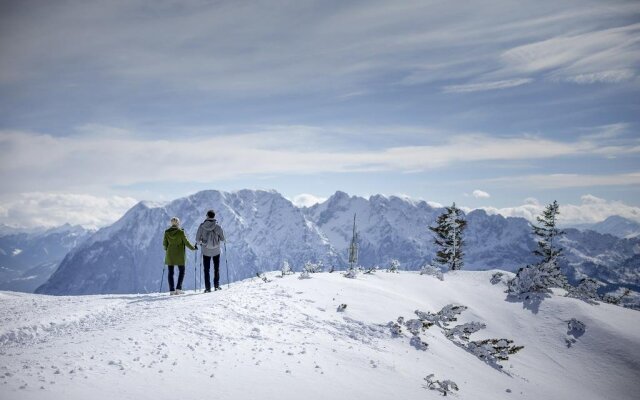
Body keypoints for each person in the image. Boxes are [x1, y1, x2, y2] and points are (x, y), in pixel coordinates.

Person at [163, 217, 196, 295]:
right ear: (178, 223)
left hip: (170, 254)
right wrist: (193, 248)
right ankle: (178, 289)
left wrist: (168, 249)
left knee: (170, 272)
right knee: (182, 271)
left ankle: (171, 290)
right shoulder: (181, 232)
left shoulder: (166, 232)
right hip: (180, 255)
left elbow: (164, 244)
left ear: (171, 223)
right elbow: (186, 242)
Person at [196, 210, 225, 292]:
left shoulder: (201, 226)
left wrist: (202, 243)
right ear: (214, 216)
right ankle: (216, 286)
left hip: (206, 251)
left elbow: (197, 240)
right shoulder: (218, 227)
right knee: (216, 268)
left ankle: (208, 288)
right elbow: (223, 239)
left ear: (207, 216)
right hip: (216, 251)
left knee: (206, 270)